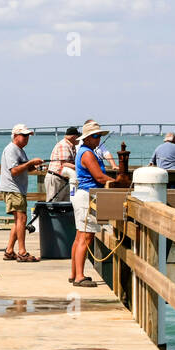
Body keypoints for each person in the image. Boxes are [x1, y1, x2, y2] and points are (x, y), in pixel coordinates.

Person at [69, 120, 113, 286]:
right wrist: (118, 183)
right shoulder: (87, 153)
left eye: (99, 136)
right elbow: (100, 177)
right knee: (86, 237)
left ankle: (74, 273)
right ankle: (79, 276)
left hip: (84, 196)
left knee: (80, 236)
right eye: (95, 136)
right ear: (86, 138)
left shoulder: (86, 151)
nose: (98, 139)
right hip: (87, 197)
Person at [0, 124, 43, 262]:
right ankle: (22, 252)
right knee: (22, 219)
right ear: (16, 135)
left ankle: (9, 251)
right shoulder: (11, 149)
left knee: (18, 221)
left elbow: (23, 168)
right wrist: (30, 162)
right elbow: (14, 170)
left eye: (28, 136)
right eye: (24, 135)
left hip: (18, 189)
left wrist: (32, 166)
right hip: (13, 189)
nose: (26, 138)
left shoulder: (20, 150)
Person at [45, 127, 79, 202]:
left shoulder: (71, 146)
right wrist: (80, 167)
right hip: (56, 178)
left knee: (65, 205)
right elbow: (65, 164)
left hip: (64, 179)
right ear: (73, 137)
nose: (80, 139)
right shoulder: (64, 145)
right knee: (53, 203)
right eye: (78, 137)